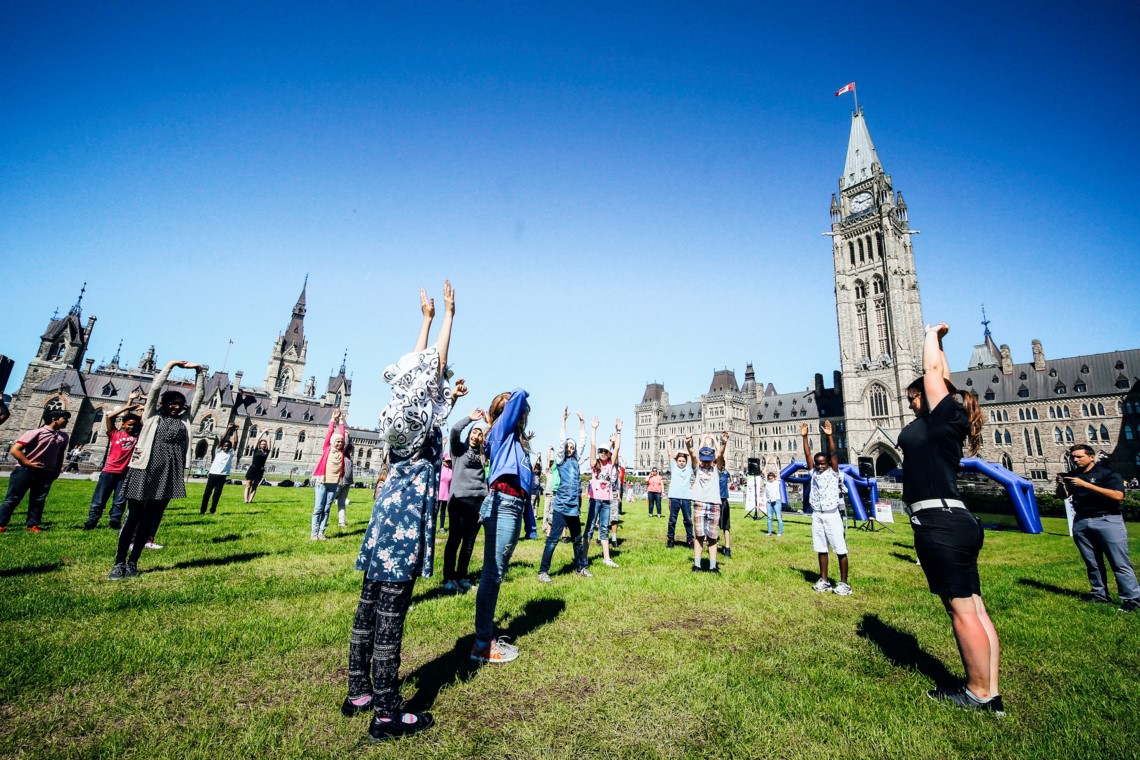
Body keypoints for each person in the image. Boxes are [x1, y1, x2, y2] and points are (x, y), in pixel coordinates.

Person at [346, 281, 458, 742]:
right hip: (407, 521)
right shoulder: (422, 414)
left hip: (382, 518)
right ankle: (389, 711)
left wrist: (427, 321)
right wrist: (450, 316)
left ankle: (359, 691)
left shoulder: (396, 411)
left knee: (367, 606)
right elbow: (435, 369)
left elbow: (420, 374)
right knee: (393, 614)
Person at [899, 322, 1003, 715]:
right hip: (957, 520)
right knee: (975, 607)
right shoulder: (947, 420)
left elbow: (932, 376)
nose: (912, 404)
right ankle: (990, 691)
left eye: (913, 399)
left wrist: (929, 334)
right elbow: (940, 376)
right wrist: (941, 346)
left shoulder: (943, 417)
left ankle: (976, 692)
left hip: (939, 523)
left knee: (962, 610)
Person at [108, 359, 207, 576]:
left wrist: (200, 372)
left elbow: (199, 396)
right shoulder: (151, 416)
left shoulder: (185, 421)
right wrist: (170, 366)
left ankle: (133, 562)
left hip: (168, 473)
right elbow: (154, 389)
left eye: (179, 403)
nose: (176, 406)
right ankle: (118, 563)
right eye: (171, 402)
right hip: (143, 469)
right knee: (133, 517)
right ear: (163, 404)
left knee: (148, 519)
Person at [471, 385, 534, 665]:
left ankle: (486, 637)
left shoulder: (514, 439)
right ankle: (483, 643)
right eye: (513, 412)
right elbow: (521, 394)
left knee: (495, 573)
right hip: (503, 503)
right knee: (492, 574)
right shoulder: (500, 431)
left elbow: (526, 486)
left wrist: (530, 523)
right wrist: (511, 397)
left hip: (513, 504)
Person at [1057, 445, 1138, 612]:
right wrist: (1061, 485)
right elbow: (1063, 496)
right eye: (1073, 457)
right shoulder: (1073, 476)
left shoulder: (1107, 474)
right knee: (1092, 562)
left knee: (1119, 562)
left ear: (1091, 457)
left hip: (1107, 520)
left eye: (1079, 457)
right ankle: (1099, 594)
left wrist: (1087, 485)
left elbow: (1118, 495)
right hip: (1082, 521)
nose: (1075, 460)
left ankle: (1132, 599)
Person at [538, 408, 590, 583]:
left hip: (574, 507)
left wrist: (583, 423)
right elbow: (561, 442)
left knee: (577, 539)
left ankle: (580, 568)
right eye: (568, 446)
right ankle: (543, 571)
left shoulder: (576, 460)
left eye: (571, 447)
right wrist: (563, 421)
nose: (569, 448)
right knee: (553, 540)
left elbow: (582, 442)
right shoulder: (560, 460)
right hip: (561, 505)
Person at [801, 420, 851, 595]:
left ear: (829, 463)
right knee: (821, 548)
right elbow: (807, 455)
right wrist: (805, 437)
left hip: (832, 514)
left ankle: (844, 583)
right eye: (818, 463)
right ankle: (824, 580)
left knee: (840, 549)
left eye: (823, 463)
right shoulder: (813, 472)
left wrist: (830, 436)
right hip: (817, 515)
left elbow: (834, 453)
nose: (820, 466)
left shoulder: (833, 472)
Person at [0, 409, 71, 533]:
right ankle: (1, 523)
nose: (67, 421)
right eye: (64, 418)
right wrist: (28, 463)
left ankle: (33, 524)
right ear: (54, 419)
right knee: (13, 498)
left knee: (39, 500)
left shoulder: (63, 437)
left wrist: (57, 471)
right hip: (24, 470)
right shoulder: (35, 433)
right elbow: (15, 450)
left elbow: (60, 455)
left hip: (45, 472)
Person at [441, 409, 488, 593]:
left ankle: (462, 576)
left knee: (469, 542)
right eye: (475, 432)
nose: (476, 436)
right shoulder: (459, 449)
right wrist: (470, 419)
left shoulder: (484, 454)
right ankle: (449, 578)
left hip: (479, 501)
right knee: (455, 540)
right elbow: (454, 431)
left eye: (480, 433)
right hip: (460, 500)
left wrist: (489, 425)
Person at [84, 394, 144, 530]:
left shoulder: (137, 438)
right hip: (108, 472)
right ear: (123, 424)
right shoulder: (115, 434)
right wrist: (128, 406)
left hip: (125, 474)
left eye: (134, 426)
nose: (131, 428)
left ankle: (115, 521)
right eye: (129, 425)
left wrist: (144, 407)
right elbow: (109, 417)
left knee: (120, 501)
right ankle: (92, 520)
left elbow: (143, 423)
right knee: (99, 499)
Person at [686, 432, 728, 572]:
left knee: (712, 536)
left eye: (707, 460)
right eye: (703, 460)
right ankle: (697, 564)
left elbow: (721, 456)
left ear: (712, 459)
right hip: (699, 503)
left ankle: (713, 566)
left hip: (714, 505)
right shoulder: (697, 468)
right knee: (698, 535)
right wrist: (688, 443)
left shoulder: (717, 469)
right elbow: (692, 455)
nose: (704, 463)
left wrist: (723, 442)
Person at [311, 411, 348, 541]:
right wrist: (333, 419)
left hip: (334, 483)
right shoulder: (327, 448)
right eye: (337, 442)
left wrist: (342, 421)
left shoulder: (341, 452)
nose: (339, 444)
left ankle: (321, 532)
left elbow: (342, 434)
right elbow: (329, 434)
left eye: (341, 442)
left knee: (326, 509)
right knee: (318, 508)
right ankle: (313, 533)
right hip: (322, 482)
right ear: (333, 442)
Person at [201, 422, 239, 515]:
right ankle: (202, 510)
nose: (226, 447)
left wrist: (236, 431)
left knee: (217, 494)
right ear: (222, 446)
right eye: (224, 445)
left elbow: (235, 442)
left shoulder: (230, 453)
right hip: (213, 474)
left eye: (228, 446)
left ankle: (212, 510)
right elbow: (222, 440)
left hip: (222, 475)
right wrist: (228, 429)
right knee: (207, 493)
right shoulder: (218, 451)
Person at [666, 439, 695, 549]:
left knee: (688, 520)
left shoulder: (689, 469)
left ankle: (690, 540)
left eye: (683, 461)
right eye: (679, 461)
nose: (681, 462)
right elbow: (670, 454)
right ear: (676, 461)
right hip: (674, 498)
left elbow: (693, 456)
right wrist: (669, 442)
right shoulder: (673, 467)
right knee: (672, 520)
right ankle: (670, 539)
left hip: (686, 498)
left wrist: (685, 451)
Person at [335, 439, 355, 528]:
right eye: (350, 449)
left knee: (342, 503)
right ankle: (322, 520)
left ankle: (341, 521)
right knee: (329, 502)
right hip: (339, 482)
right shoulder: (342, 455)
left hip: (346, 483)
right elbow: (345, 444)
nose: (351, 451)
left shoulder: (349, 458)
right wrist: (347, 436)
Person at [243, 438, 270, 503]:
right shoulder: (256, 450)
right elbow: (257, 439)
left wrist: (268, 435)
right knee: (248, 486)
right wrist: (263, 432)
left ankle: (250, 500)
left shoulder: (267, 451)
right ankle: (246, 500)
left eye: (265, 444)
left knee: (255, 487)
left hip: (260, 471)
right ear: (259, 444)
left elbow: (269, 442)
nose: (263, 445)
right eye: (262, 444)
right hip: (252, 469)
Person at [764, 471, 784, 537]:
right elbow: (764, 471)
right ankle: (769, 532)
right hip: (769, 502)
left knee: (778, 517)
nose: (771, 480)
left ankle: (780, 532)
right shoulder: (767, 483)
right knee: (769, 517)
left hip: (776, 502)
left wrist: (775, 463)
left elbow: (778, 472)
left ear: (774, 478)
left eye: (772, 478)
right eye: (769, 478)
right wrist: (766, 463)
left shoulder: (777, 482)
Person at [718, 463, 732, 558]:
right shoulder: (712, 474)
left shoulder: (725, 473)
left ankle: (727, 548)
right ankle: (714, 543)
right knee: (712, 526)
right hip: (714, 501)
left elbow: (724, 456)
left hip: (723, 502)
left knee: (726, 526)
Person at [436, 456, 452, 533]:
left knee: (443, 511)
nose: (448, 463)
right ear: (443, 460)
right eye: (447, 461)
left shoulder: (452, 469)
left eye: (449, 461)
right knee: (436, 510)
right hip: (438, 494)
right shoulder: (440, 468)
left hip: (446, 494)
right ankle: (433, 526)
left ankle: (441, 527)